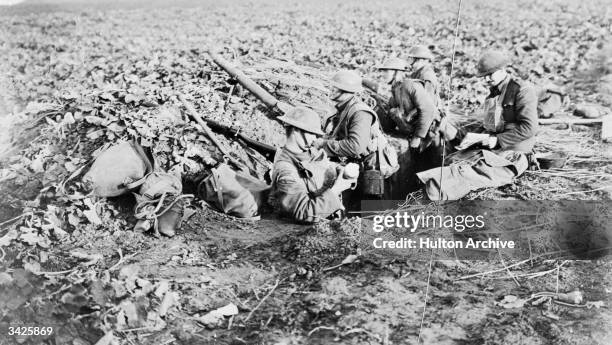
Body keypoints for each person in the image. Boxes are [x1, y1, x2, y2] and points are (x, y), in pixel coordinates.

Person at [416, 50, 538, 200]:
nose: (486, 79)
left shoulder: (522, 91)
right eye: (483, 76)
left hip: (512, 154)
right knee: (451, 160)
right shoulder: (493, 94)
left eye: (490, 74)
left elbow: (529, 128)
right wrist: (468, 137)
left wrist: (497, 140)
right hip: (494, 150)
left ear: (502, 70)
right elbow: (490, 126)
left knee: (459, 176)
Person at [313, 70, 394, 207]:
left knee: (371, 211)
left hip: (371, 167)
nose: (330, 90)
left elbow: (355, 146)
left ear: (346, 91)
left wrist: (324, 144)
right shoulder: (344, 108)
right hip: (356, 163)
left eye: (335, 88)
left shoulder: (360, 112)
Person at [269, 106, 357, 223]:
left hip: (329, 216)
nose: (315, 139)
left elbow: (321, 167)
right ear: (296, 131)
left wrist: (341, 169)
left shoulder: (309, 151)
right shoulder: (286, 170)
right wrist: (336, 190)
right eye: (311, 133)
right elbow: (303, 212)